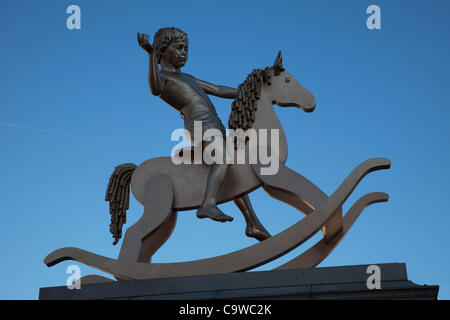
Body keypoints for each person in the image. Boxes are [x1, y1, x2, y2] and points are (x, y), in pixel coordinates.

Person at [137, 27, 270, 241]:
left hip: (213, 123)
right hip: (198, 124)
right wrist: (151, 56)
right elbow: (154, 89)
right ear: (163, 49)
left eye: (186, 49)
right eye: (179, 48)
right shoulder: (162, 77)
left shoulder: (188, 77)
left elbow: (217, 89)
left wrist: (248, 90)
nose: (184, 53)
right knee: (225, 159)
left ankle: (252, 223)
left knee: (232, 169)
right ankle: (207, 203)